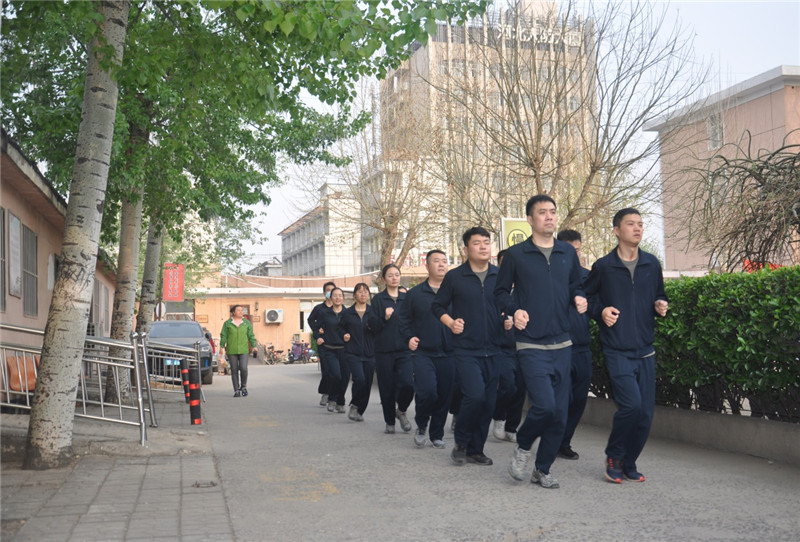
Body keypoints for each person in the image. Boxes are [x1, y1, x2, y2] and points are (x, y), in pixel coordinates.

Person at [495, 195, 586, 489]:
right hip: (531, 343)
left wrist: (579, 297)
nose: (549, 217)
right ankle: (523, 445)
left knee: (559, 414)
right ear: (530, 220)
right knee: (545, 406)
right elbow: (499, 293)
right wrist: (514, 309)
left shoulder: (566, 253)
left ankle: (542, 469)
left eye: (553, 212)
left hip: (563, 343)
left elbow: (576, 284)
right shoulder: (516, 255)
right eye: (542, 213)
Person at [584, 208, 669, 484]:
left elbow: (660, 294)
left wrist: (660, 304)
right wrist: (601, 311)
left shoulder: (651, 264)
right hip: (616, 349)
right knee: (631, 406)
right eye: (631, 224)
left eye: (641, 224)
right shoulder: (604, 267)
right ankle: (614, 455)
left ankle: (629, 461)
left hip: (645, 349)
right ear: (616, 230)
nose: (637, 228)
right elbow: (586, 299)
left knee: (645, 414)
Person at [432, 227, 506, 466]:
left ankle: (476, 449)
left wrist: (509, 317)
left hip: (495, 348)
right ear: (466, 249)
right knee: (474, 396)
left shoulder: (500, 275)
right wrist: (451, 322)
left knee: (489, 402)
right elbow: (438, 307)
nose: (483, 246)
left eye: (486, 242)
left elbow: (510, 304)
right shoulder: (455, 277)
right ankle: (461, 443)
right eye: (477, 243)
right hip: (466, 349)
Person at [397, 249, 455, 449]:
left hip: (449, 352)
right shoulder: (415, 294)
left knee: (444, 394)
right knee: (428, 391)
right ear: (427, 266)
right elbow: (403, 320)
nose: (441, 265)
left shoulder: (454, 293)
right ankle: (421, 425)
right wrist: (409, 337)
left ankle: (436, 434)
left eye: (444, 261)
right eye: (436, 261)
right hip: (424, 352)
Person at [555, 229, 592, 460]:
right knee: (562, 399)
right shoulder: (550, 277)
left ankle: (564, 442)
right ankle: (554, 439)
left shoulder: (588, 277)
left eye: (577, 250)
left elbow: (598, 305)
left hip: (582, 347)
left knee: (579, 399)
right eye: (570, 250)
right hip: (558, 347)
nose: (574, 254)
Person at [372, 264, 414, 434]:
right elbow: (372, 326)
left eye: (397, 274)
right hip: (384, 351)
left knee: (408, 384)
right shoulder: (378, 300)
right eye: (390, 275)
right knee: (386, 387)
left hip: (404, 350)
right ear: (384, 279)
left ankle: (401, 410)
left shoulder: (408, 299)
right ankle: (390, 421)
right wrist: (384, 316)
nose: (394, 278)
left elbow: (414, 322)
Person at [492, 249, 527, 444]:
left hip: (523, 345)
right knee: (508, 385)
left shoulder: (525, 289)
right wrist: (501, 323)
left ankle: (512, 426)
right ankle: (499, 417)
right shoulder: (495, 290)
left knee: (520, 388)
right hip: (501, 348)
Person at [340, 283, 379, 421]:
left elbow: (380, 330)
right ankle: (355, 405)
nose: (363, 294)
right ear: (355, 295)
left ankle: (359, 410)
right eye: (360, 292)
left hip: (370, 353)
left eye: (365, 291)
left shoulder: (373, 312)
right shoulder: (347, 313)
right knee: (360, 379)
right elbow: (340, 329)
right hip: (353, 353)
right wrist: (344, 335)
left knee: (367, 383)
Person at [315, 287, 349, 413]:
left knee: (345, 378)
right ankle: (332, 399)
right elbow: (316, 326)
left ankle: (340, 402)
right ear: (331, 297)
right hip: (330, 349)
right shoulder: (325, 313)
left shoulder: (348, 313)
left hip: (345, 350)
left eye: (340, 295)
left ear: (343, 297)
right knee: (336, 375)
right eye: (335, 295)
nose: (337, 298)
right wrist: (318, 337)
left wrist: (348, 335)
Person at [219, 305, 257, 397]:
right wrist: (222, 346)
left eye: (242, 310)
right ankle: (236, 390)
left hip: (244, 350)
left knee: (244, 368)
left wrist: (254, 346)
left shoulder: (246, 323)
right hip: (232, 350)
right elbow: (224, 335)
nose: (241, 312)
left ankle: (243, 387)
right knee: (234, 370)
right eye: (238, 310)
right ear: (233, 312)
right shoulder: (227, 323)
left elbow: (251, 335)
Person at [308, 281, 336, 406]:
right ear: (324, 292)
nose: (330, 292)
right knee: (327, 370)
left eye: (333, 290)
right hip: (323, 343)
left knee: (336, 372)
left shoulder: (339, 308)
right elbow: (310, 320)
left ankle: (333, 395)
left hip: (337, 344)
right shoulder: (319, 308)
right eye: (328, 290)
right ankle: (327, 394)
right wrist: (317, 332)